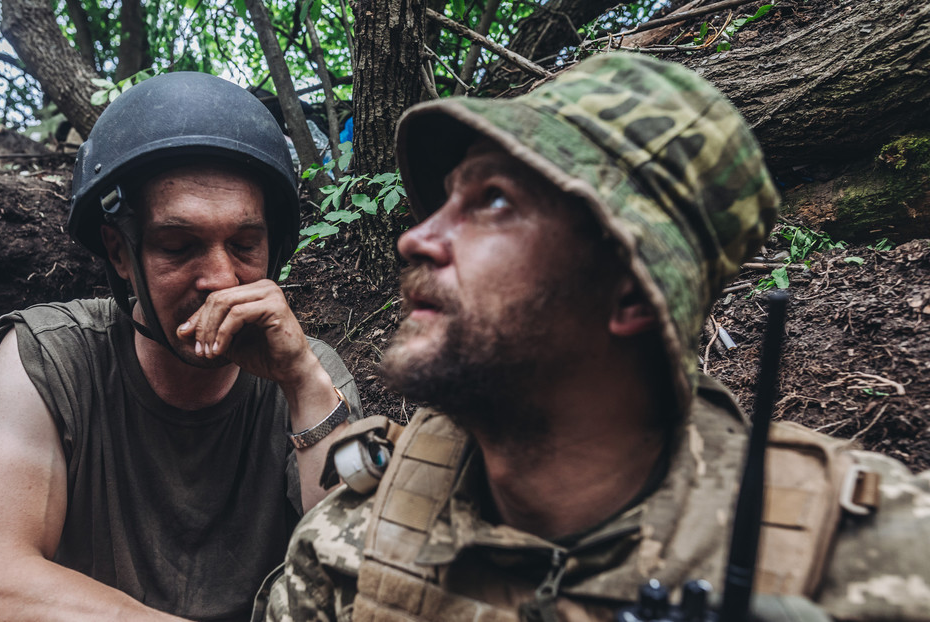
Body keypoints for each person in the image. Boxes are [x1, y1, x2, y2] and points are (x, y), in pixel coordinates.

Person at [261, 53, 930, 621]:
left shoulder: (873, 557)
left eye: (493, 202)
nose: (416, 237)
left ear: (632, 290)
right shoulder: (350, 546)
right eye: (444, 199)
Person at [0, 72, 361, 622]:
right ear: (120, 253)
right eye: (178, 245)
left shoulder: (311, 375)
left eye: (243, 244)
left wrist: (304, 381)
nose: (220, 279)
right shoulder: (51, 358)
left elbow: (364, 584)